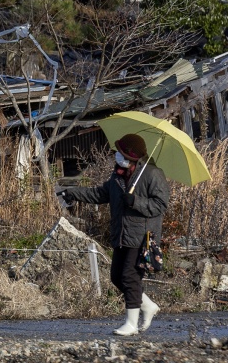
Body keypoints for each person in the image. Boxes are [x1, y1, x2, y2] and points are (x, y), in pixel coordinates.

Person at [58, 133, 170, 336]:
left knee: (129, 275)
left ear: (132, 155)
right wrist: (73, 192)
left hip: (142, 236)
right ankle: (147, 305)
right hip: (121, 233)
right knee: (116, 277)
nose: (117, 155)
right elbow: (100, 194)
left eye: (121, 152)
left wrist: (135, 201)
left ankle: (131, 324)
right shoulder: (118, 175)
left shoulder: (153, 174)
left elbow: (160, 205)